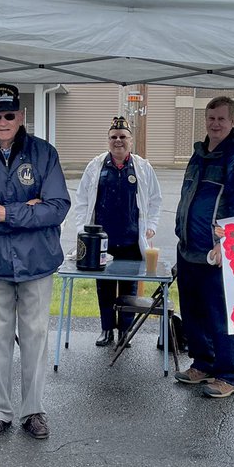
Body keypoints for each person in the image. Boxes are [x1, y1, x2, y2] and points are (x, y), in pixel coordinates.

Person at [0, 83, 70, 441]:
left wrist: (5, 212)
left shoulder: (44, 154)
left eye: (10, 114)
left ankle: (33, 410)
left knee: (36, 335)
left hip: (37, 262)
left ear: (21, 116)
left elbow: (56, 208)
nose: (3, 121)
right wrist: (28, 210)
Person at [174, 95, 234, 398]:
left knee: (220, 314)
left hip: (218, 253)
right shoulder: (198, 154)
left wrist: (228, 244)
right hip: (189, 249)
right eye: (211, 118)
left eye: (222, 119)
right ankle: (203, 363)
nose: (216, 124)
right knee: (193, 312)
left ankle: (228, 375)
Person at [73, 116, 163, 347]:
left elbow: (155, 199)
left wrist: (151, 226)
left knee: (129, 287)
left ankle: (125, 330)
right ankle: (106, 330)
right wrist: (82, 231)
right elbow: (82, 199)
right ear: (108, 140)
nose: (118, 141)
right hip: (102, 240)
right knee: (104, 287)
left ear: (131, 141)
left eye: (123, 137)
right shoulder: (96, 166)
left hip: (132, 239)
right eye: (113, 137)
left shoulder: (143, 167)